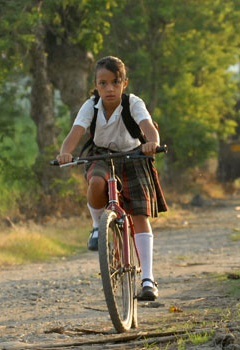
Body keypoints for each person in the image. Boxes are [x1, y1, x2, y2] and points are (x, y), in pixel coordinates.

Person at [57, 56, 167, 301]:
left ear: (124, 83)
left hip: (134, 156)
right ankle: (98, 227)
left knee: (139, 215)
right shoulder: (90, 105)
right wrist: (65, 152)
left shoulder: (133, 103)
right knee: (95, 184)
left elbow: (148, 127)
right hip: (102, 156)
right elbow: (75, 132)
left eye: (115, 83)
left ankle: (147, 279)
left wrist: (152, 144)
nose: (109, 88)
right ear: (96, 85)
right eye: (103, 83)